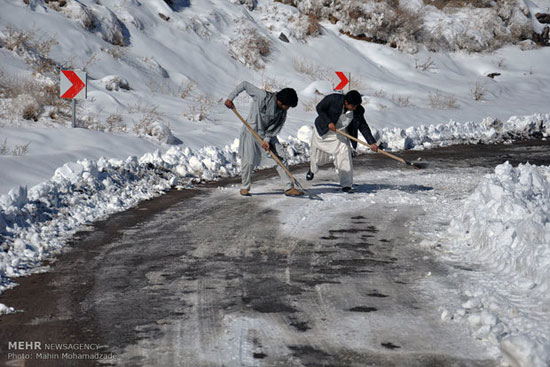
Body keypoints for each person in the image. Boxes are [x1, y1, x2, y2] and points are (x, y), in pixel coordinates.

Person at [224, 81, 303, 197]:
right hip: (251, 131)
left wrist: (267, 140)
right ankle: (245, 187)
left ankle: (289, 187)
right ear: (280, 101)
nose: (288, 108)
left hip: (268, 134)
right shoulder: (263, 96)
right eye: (288, 105)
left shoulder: (282, 112)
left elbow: (274, 127)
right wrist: (230, 98)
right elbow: (244, 85)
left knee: (281, 156)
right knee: (248, 160)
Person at [306, 90, 378, 193]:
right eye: (353, 106)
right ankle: (312, 169)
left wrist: (371, 142)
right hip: (323, 131)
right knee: (319, 158)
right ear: (346, 103)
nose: (355, 108)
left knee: (345, 153)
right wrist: (329, 122)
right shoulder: (333, 99)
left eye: (357, 106)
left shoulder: (358, 110)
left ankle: (346, 184)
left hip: (340, 133)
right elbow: (319, 108)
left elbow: (363, 126)